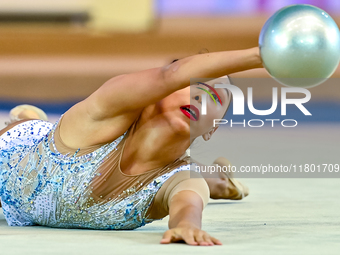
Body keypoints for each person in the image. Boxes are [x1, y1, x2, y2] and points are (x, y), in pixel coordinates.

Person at [0, 47, 262, 246]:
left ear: (212, 128)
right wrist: (261, 56)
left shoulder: (183, 180)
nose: (200, 97)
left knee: (198, 180)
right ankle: (29, 120)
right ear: (158, 89)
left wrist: (186, 225)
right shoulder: (107, 109)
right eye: (192, 85)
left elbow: (186, 206)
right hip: (17, 157)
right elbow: (170, 74)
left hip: (171, 168)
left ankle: (221, 180)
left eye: (215, 97)